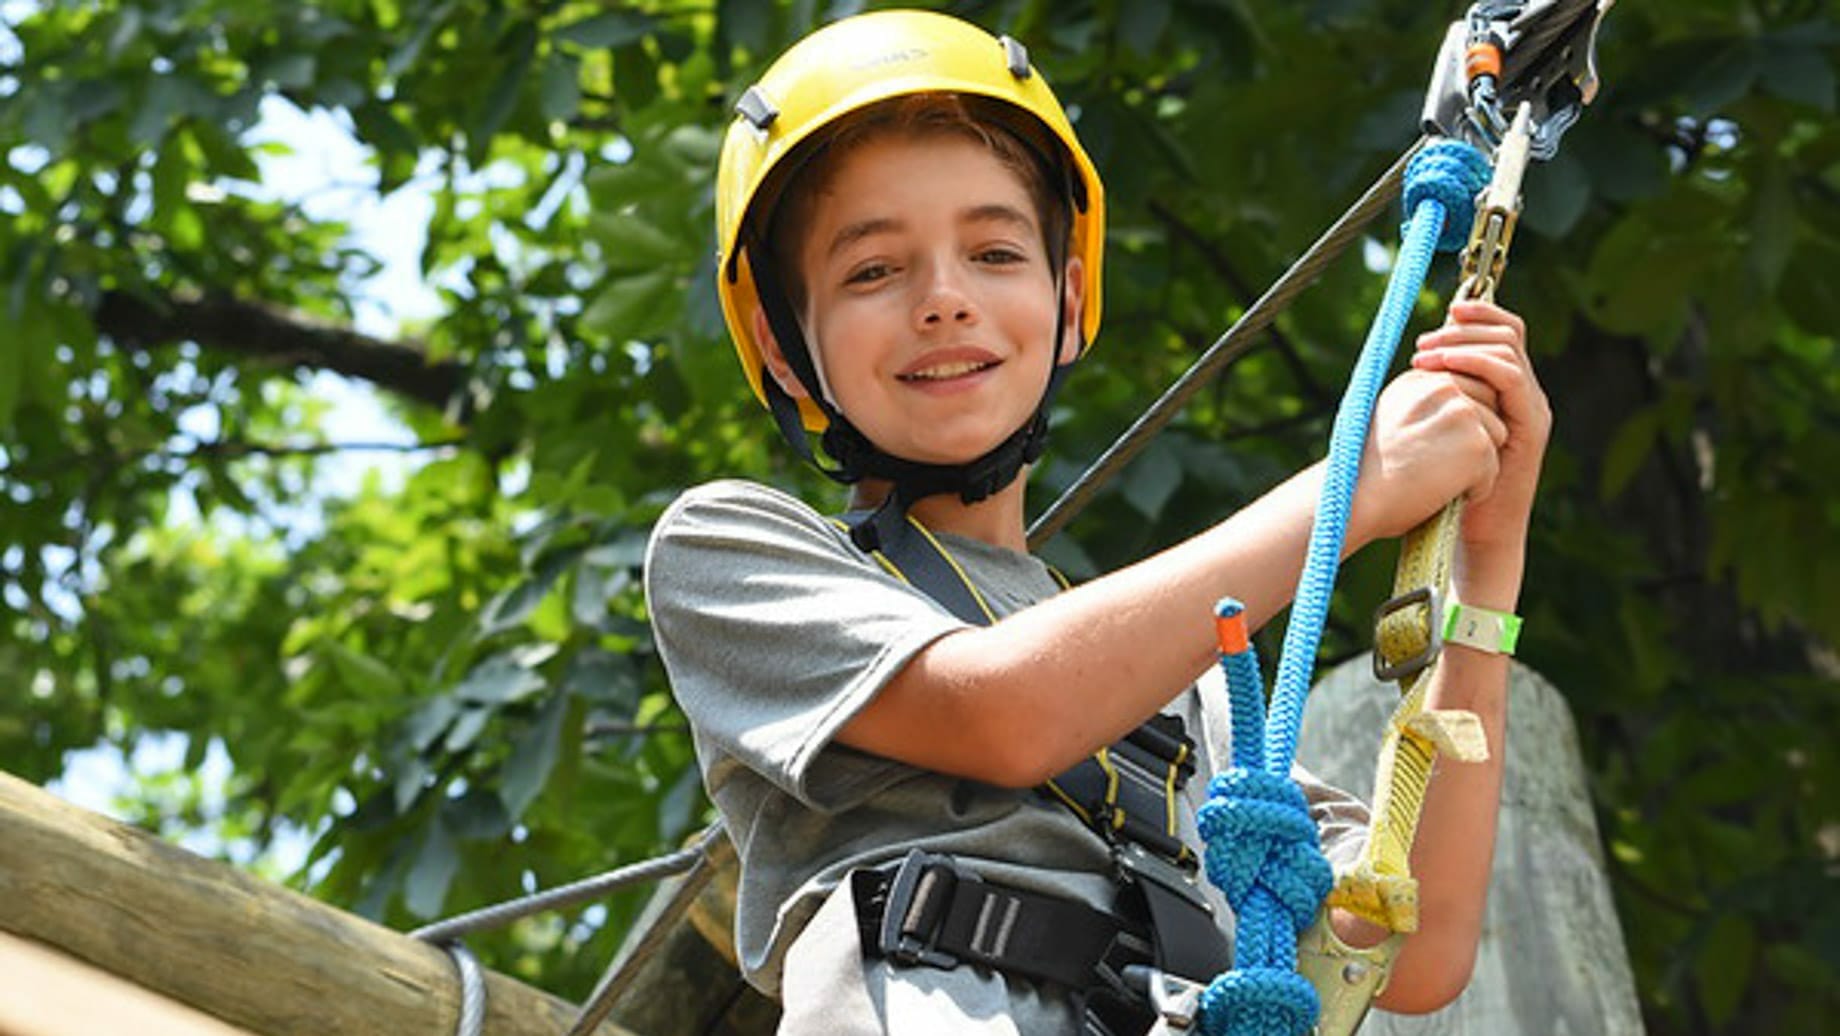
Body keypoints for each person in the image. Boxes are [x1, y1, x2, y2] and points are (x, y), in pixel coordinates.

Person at [643, 9, 1549, 1035]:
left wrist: (1487, 561)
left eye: (992, 252)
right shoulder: (729, 552)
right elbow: (1005, 712)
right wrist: (1353, 485)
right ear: (779, 342)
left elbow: (1411, 946)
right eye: (871, 271)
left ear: (1070, 298)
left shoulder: (1198, 694)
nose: (943, 300)